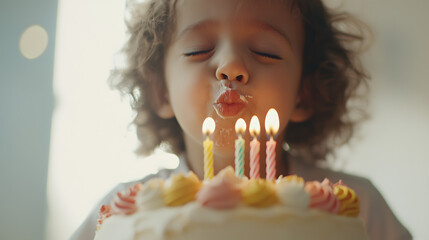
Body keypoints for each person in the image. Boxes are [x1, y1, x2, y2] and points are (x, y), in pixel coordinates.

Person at [71, 0, 412, 239]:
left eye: (266, 51)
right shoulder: (122, 214)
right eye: (198, 50)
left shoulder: (358, 208)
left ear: (304, 93)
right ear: (160, 91)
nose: (230, 66)